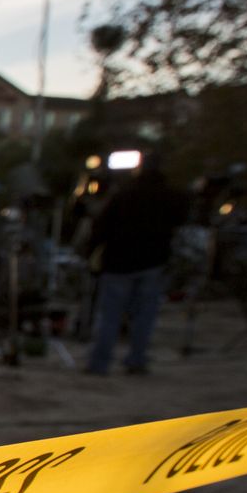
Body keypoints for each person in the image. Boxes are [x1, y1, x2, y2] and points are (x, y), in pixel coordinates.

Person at [86, 157, 185, 376]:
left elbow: (101, 226)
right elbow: (181, 221)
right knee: (144, 316)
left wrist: (90, 252)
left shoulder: (122, 197)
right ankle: (136, 360)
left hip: (118, 262)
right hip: (152, 261)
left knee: (110, 315)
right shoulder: (171, 197)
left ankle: (99, 363)